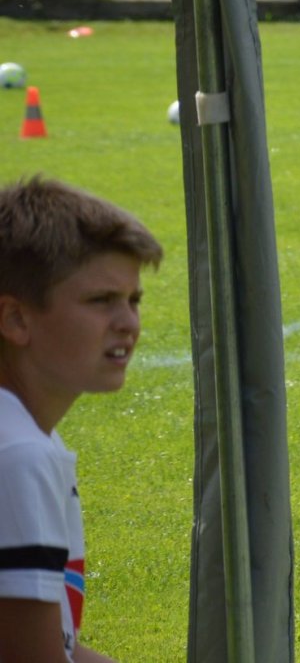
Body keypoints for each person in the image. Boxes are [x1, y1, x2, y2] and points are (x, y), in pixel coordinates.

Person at [0, 176, 163, 663]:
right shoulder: (19, 457)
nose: (128, 323)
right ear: (15, 320)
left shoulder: (28, 438)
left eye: (133, 300)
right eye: (101, 301)